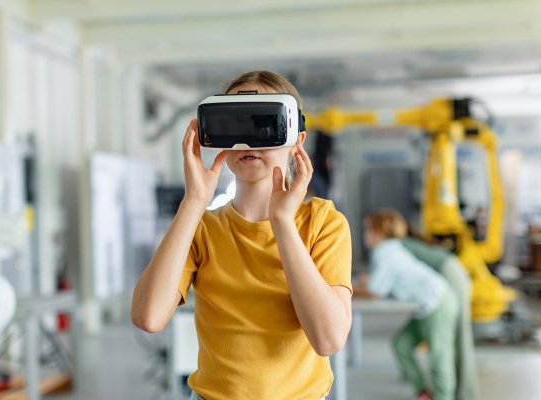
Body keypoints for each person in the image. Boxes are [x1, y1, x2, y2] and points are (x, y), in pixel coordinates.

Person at [130, 71, 353, 400]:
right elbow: (148, 317)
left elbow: (328, 340)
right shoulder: (201, 227)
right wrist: (193, 202)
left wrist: (283, 224)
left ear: (297, 141)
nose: (248, 141)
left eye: (263, 124)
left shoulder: (323, 223)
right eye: (235, 124)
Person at [354, 209, 459, 400]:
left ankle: (444, 397)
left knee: (438, 357)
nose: (365, 235)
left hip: (437, 303)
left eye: (367, 230)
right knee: (401, 344)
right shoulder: (392, 247)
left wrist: (349, 288)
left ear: (379, 233)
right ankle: (424, 393)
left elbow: (376, 292)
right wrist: (367, 283)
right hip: (429, 305)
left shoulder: (383, 251)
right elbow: (385, 282)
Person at [403, 235, 480, 400]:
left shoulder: (395, 246)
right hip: (449, 273)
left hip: (451, 274)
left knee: (460, 337)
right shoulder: (405, 244)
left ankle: (466, 394)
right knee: (450, 341)